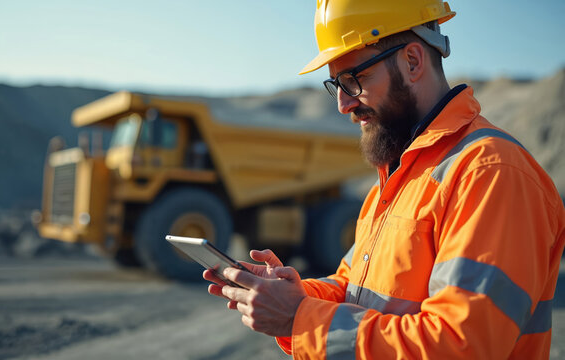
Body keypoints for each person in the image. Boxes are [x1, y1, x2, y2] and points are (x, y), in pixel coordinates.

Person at [204, 0, 565, 358]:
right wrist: (290, 294)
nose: (343, 104)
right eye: (336, 84)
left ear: (412, 61)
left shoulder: (490, 173)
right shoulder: (399, 176)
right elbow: (354, 289)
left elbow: (462, 345)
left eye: (353, 80)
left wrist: (300, 318)